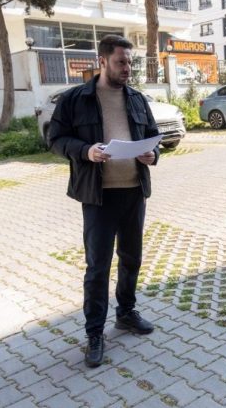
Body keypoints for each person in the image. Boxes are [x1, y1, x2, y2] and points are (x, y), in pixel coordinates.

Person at [48, 35, 160, 368]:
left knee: (132, 258)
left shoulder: (137, 98)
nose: (127, 68)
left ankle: (126, 313)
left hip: (134, 191)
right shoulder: (75, 99)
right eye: (121, 62)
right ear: (102, 61)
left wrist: (153, 155)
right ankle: (94, 333)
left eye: (130, 62)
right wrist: (86, 151)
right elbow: (55, 139)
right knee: (98, 266)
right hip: (98, 197)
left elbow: (153, 138)